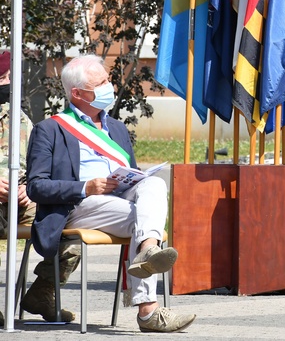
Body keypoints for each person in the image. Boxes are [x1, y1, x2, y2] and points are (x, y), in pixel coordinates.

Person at [26, 55, 195, 333]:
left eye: (108, 80)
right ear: (78, 93)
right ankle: (148, 311)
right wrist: (84, 186)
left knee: (154, 186)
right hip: (77, 206)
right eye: (101, 83)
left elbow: (134, 173)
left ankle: (147, 250)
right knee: (142, 222)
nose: (110, 86)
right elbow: (36, 186)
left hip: (119, 200)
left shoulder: (115, 128)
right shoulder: (50, 129)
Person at [0, 51, 81, 324]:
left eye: (8, 77)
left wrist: (27, 187)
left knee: (67, 224)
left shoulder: (20, 120)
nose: (6, 83)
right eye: (2, 78)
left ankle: (43, 292)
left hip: (21, 201)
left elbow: (36, 165)